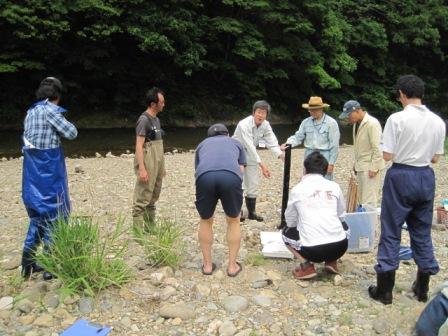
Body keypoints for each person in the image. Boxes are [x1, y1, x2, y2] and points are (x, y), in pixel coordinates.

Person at [368, 74, 446, 305]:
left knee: (391, 229)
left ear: (402, 93)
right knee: (421, 231)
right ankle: (422, 288)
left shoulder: (396, 119)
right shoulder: (438, 122)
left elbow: (387, 155)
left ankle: (385, 291)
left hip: (401, 174)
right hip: (425, 176)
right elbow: (435, 158)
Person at [21, 77, 78, 280]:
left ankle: (27, 264)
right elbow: (72, 133)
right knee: (56, 216)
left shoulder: (30, 112)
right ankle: (49, 268)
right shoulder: (51, 111)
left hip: (31, 175)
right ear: (57, 96)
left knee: (37, 217)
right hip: (50, 174)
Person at [282, 152, 349, 280]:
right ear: (325, 171)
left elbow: (290, 221)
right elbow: (342, 215)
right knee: (344, 225)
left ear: (305, 169)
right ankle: (332, 261)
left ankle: (306, 266)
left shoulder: (297, 189)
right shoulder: (334, 186)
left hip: (312, 251)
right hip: (340, 247)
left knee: (285, 233)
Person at [195, 124, 246, 277]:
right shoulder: (236, 143)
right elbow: (241, 169)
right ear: (227, 134)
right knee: (233, 220)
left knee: (205, 220)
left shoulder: (201, 145)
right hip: (230, 176)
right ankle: (232, 267)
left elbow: (198, 170)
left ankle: (208, 266)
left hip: (205, 177)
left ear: (209, 136)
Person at [233, 100, 284, 222]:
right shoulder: (243, 124)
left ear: (267, 115)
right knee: (239, 182)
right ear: (253, 112)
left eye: (264, 113)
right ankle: (238, 212)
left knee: (253, 183)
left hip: (251, 154)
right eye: (259, 112)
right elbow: (249, 145)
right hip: (236, 153)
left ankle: (252, 212)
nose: (261, 115)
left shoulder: (265, 125)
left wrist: (280, 154)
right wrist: (262, 165)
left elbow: (271, 141)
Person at [338, 100, 385, 207]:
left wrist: (374, 168)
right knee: (360, 200)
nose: (348, 118)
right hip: (361, 167)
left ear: (357, 111)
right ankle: (362, 222)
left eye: (349, 115)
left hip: (370, 168)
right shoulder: (356, 124)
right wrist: (356, 164)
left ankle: (371, 223)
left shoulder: (372, 123)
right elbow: (360, 147)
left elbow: (378, 147)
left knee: (369, 201)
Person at [281, 96, 340, 180]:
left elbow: (334, 145)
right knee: (308, 180)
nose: (312, 112)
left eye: (315, 109)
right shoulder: (305, 122)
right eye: (311, 110)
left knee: (325, 181)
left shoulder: (331, 123)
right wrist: (288, 143)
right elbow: (298, 137)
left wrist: (331, 163)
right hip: (309, 155)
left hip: (324, 156)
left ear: (321, 109)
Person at [132, 87, 166, 229]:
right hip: (147, 161)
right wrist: (142, 169)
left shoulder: (156, 120)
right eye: (162, 102)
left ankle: (150, 228)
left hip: (157, 162)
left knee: (153, 195)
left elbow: (158, 146)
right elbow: (139, 145)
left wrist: (162, 168)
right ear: (153, 104)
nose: (164, 104)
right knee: (143, 196)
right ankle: (138, 232)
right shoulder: (144, 120)